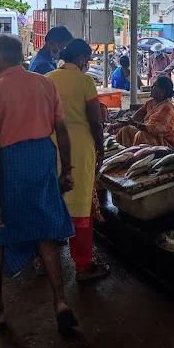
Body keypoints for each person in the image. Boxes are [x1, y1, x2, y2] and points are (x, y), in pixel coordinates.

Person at [0, 34, 77, 333]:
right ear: (19, 56)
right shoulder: (45, 84)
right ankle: (61, 302)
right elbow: (62, 130)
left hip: (8, 166)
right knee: (44, 230)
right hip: (42, 159)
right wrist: (67, 169)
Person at [46, 39, 108, 282]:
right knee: (81, 206)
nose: (88, 63)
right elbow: (95, 121)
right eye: (88, 58)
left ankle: (43, 258)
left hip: (52, 146)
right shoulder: (85, 81)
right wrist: (101, 148)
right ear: (81, 58)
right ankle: (83, 266)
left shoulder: (48, 78)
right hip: (80, 149)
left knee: (53, 201)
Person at [116, 76, 174, 149]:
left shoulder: (167, 108)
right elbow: (136, 117)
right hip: (151, 135)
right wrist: (116, 125)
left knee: (141, 135)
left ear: (162, 91)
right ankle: (123, 154)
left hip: (166, 142)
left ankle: (135, 157)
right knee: (125, 130)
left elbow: (156, 130)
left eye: (154, 87)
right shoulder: (150, 103)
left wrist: (134, 123)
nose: (151, 88)